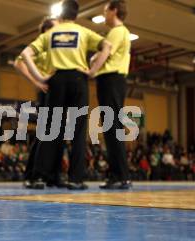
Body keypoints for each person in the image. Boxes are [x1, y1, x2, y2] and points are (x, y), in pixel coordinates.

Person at [21, 0, 111, 190]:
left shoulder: (51, 33)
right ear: (76, 15)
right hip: (78, 80)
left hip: (56, 80)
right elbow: (107, 46)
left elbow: (26, 53)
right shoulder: (83, 32)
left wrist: (39, 77)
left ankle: (39, 177)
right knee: (78, 131)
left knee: (50, 130)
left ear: (60, 14)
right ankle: (75, 179)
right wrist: (93, 70)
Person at [14, 17, 62, 189]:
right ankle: (32, 175)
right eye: (56, 27)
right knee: (45, 135)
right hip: (46, 93)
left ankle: (53, 176)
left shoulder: (54, 48)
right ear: (47, 30)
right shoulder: (40, 46)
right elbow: (19, 63)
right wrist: (37, 82)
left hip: (58, 93)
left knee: (58, 135)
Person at [96, 0, 132, 189]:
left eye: (105, 11)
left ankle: (120, 175)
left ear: (114, 11)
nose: (104, 15)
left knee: (112, 127)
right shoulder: (120, 32)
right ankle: (119, 174)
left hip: (110, 80)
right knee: (112, 127)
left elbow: (104, 53)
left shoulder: (117, 32)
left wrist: (92, 69)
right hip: (114, 81)